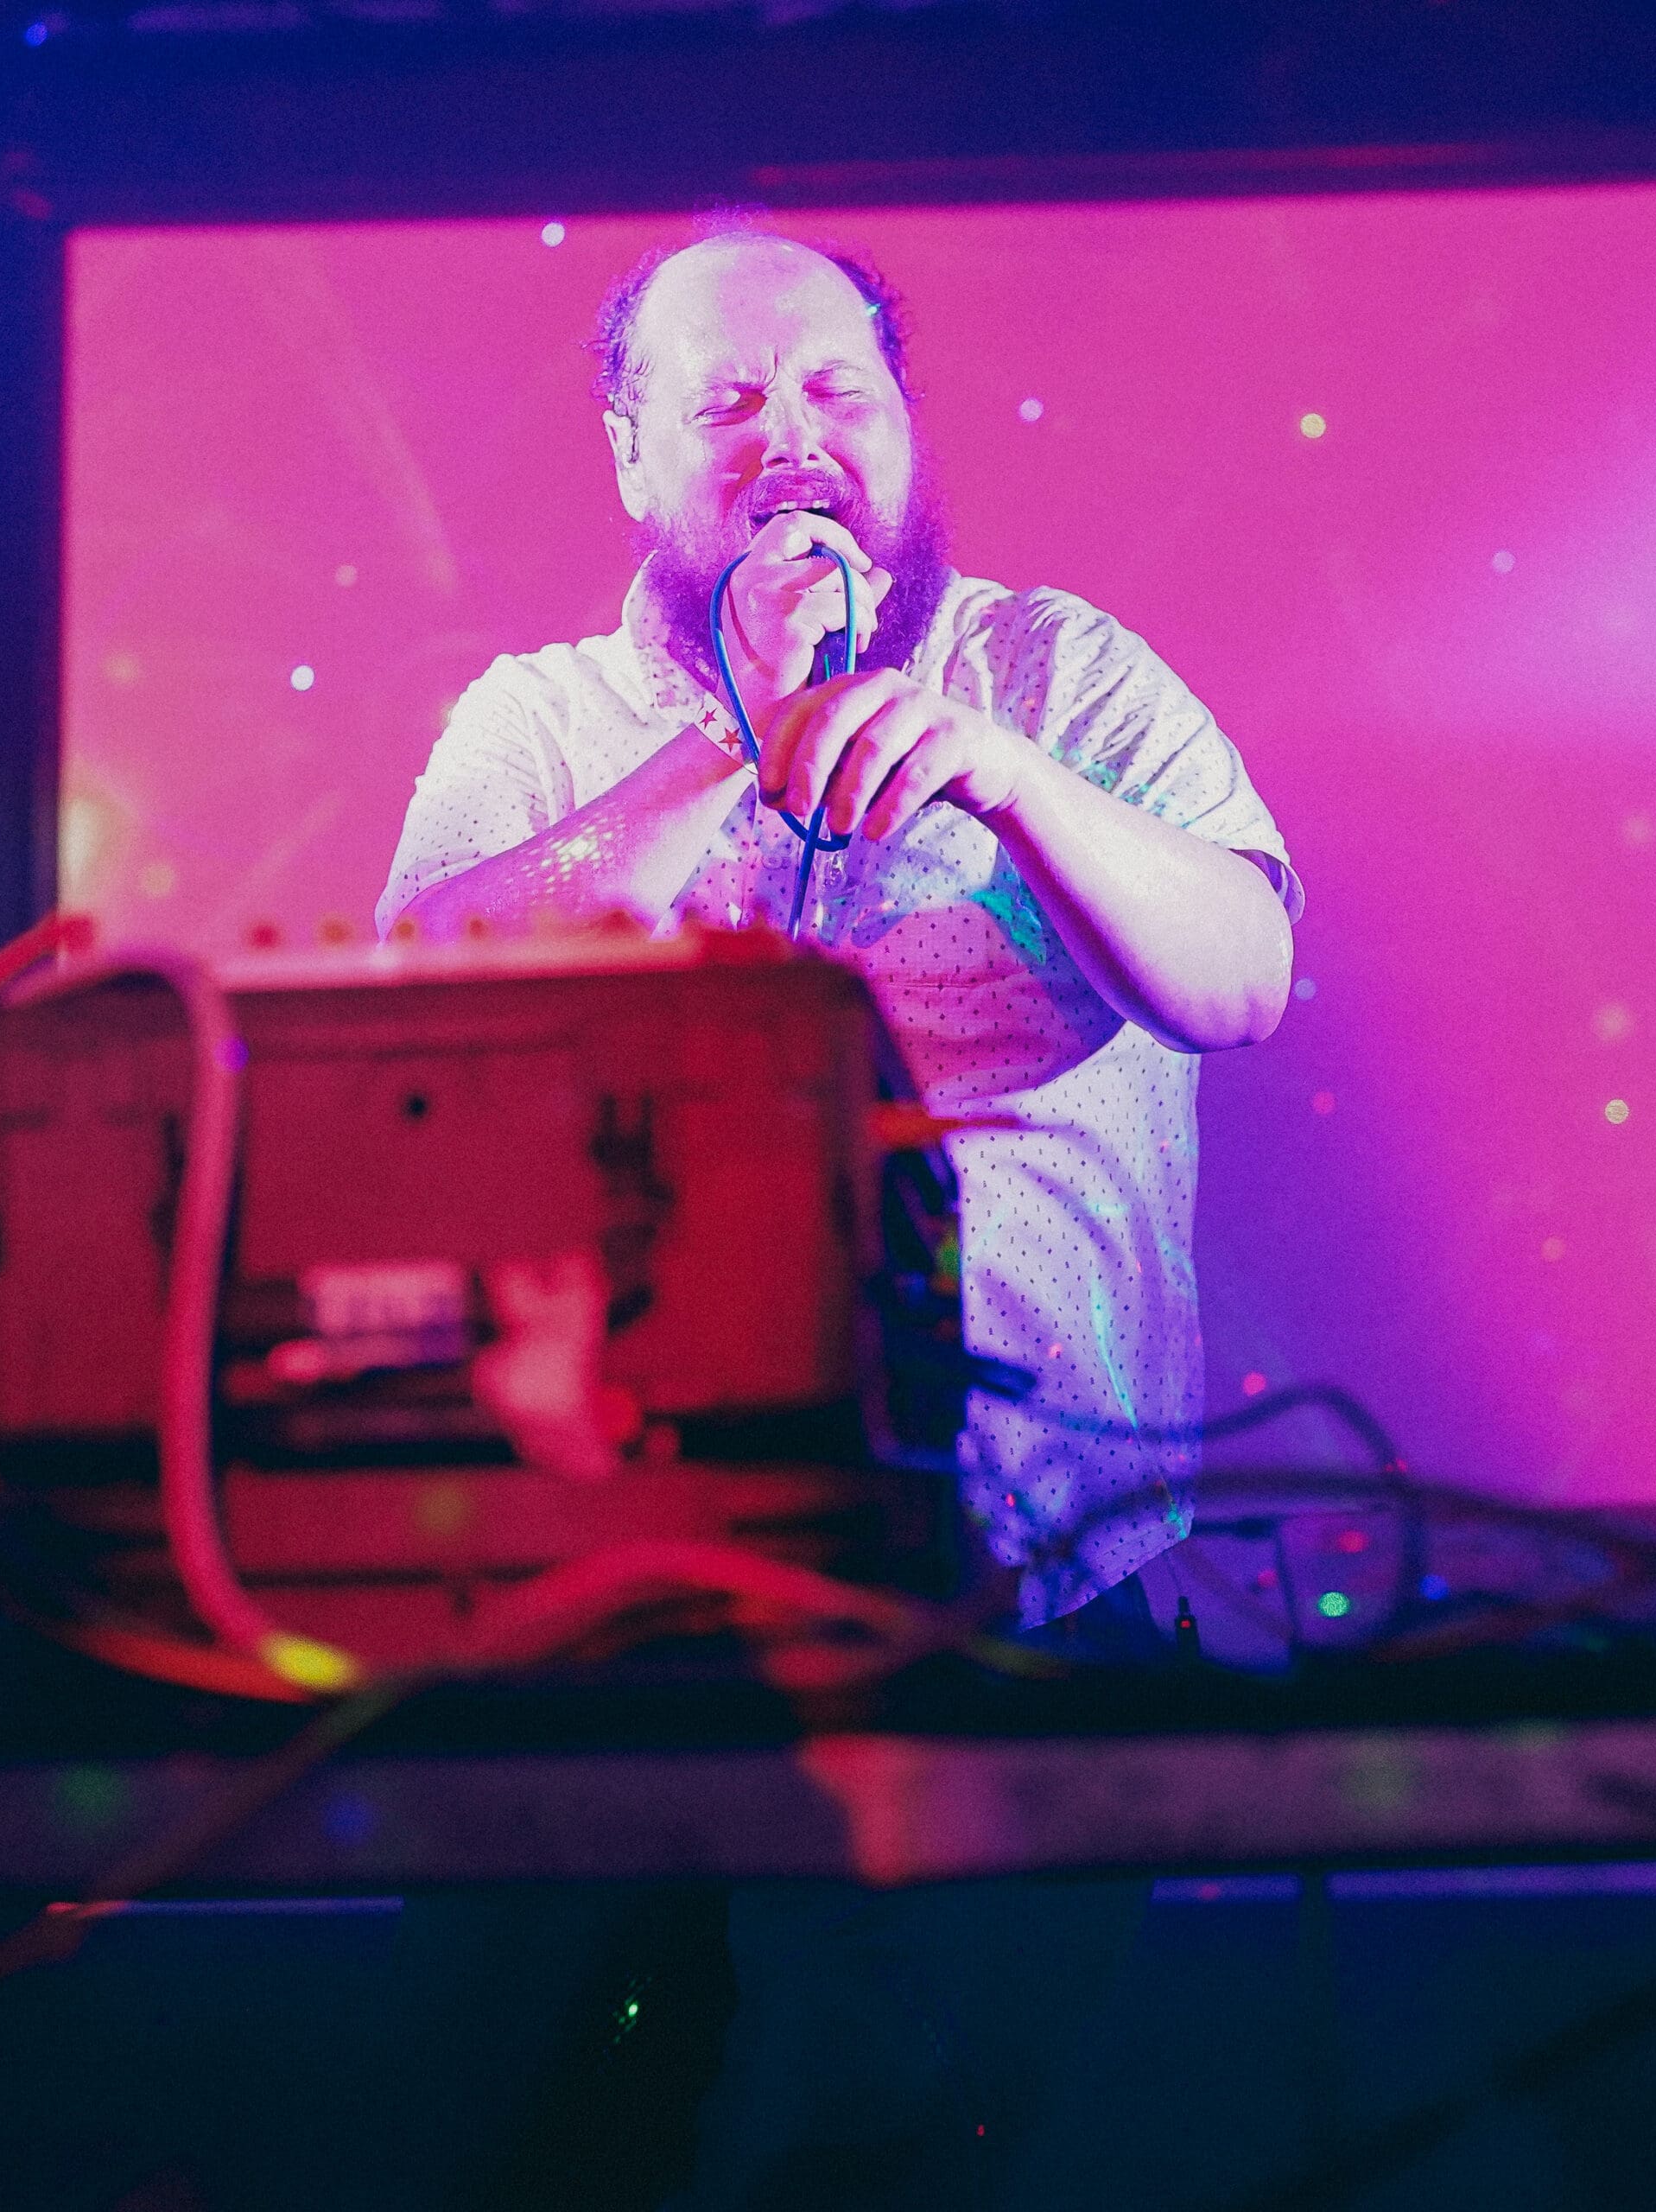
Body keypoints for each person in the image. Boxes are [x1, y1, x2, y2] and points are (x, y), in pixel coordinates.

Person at [376, 224, 1304, 2212]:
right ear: (630, 459)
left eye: (836, 392)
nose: (792, 438)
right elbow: (413, 1016)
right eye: (727, 402)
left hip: (1028, 1588)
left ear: (901, 426)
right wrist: (733, 736)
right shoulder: (535, 723)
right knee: (550, 2154)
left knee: (946, 2161)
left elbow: (1239, 974)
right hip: (615, 1630)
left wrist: (1004, 777)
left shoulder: (1061, 673)